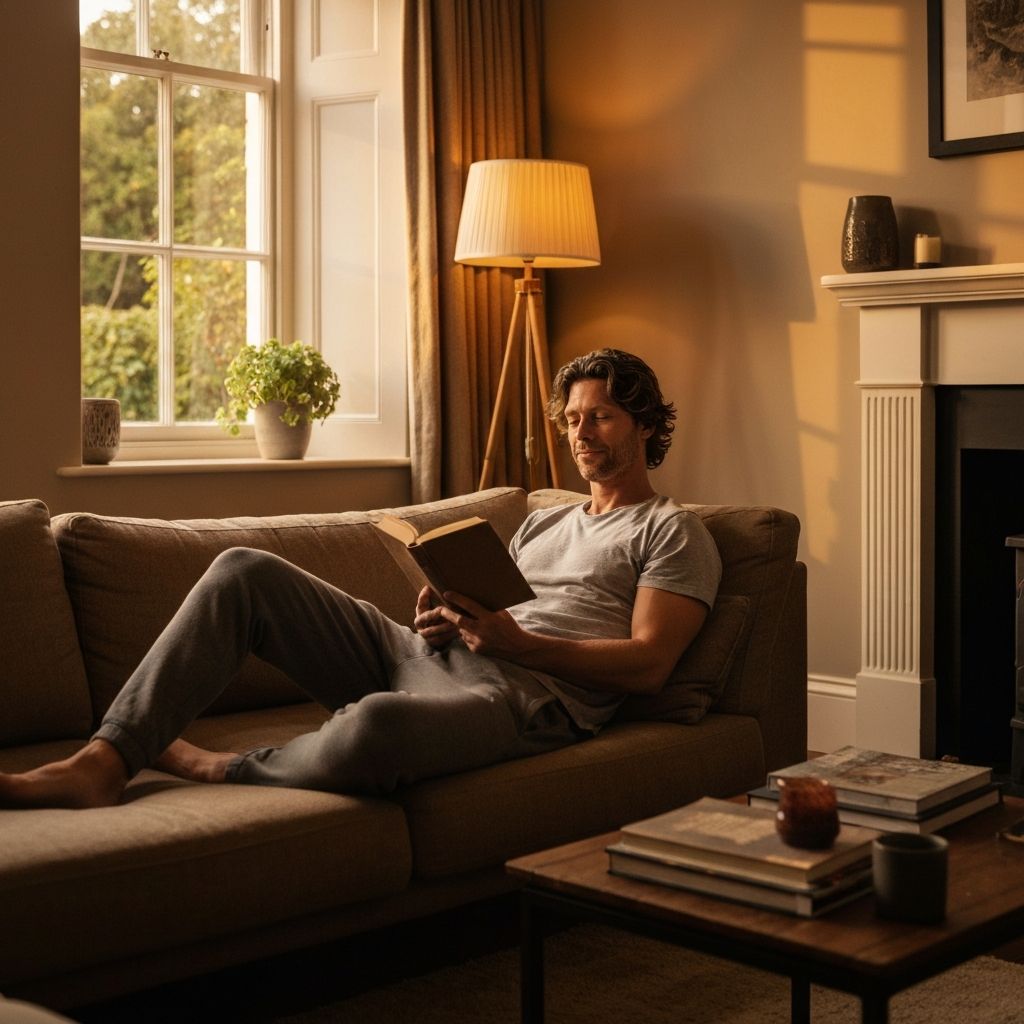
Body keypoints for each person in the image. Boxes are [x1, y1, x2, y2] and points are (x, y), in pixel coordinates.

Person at [0, 349, 721, 810]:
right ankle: (105, 757)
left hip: (516, 697)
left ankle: (224, 768)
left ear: (645, 423)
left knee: (377, 726)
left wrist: (516, 645)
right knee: (242, 570)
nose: (581, 433)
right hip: (422, 655)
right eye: (571, 419)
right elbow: (488, 610)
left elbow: (651, 664)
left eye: (600, 416)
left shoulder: (670, 529)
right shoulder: (542, 522)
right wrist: (444, 612)